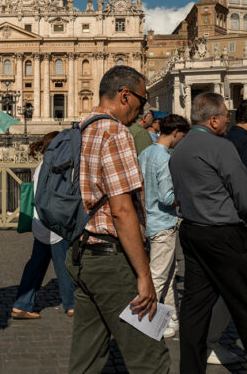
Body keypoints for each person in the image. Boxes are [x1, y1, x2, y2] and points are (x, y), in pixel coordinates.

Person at [169, 92, 247, 373]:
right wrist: (246, 217)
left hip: (193, 232)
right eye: (225, 116)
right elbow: (245, 194)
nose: (227, 121)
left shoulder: (179, 149)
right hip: (225, 234)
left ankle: (191, 368)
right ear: (213, 120)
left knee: (195, 311)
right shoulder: (220, 147)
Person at [66, 65, 170, 374]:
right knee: (151, 360)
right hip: (112, 262)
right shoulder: (115, 132)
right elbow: (122, 211)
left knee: (86, 359)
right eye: (142, 100)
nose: (143, 111)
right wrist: (144, 275)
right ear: (125, 95)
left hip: (81, 256)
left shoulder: (79, 127)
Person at [11, 132, 75, 321]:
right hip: (55, 222)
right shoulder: (56, 167)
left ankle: (21, 305)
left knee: (36, 264)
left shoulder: (41, 166)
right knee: (63, 263)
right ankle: (71, 304)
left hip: (40, 221)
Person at [138, 113, 190, 338]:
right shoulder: (164, 158)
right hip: (163, 223)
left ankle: (171, 319)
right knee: (157, 278)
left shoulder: (145, 152)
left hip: (148, 220)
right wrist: (187, 194)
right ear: (176, 133)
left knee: (169, 273)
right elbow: (167, 197)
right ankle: (139, 326)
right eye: (183, 137)